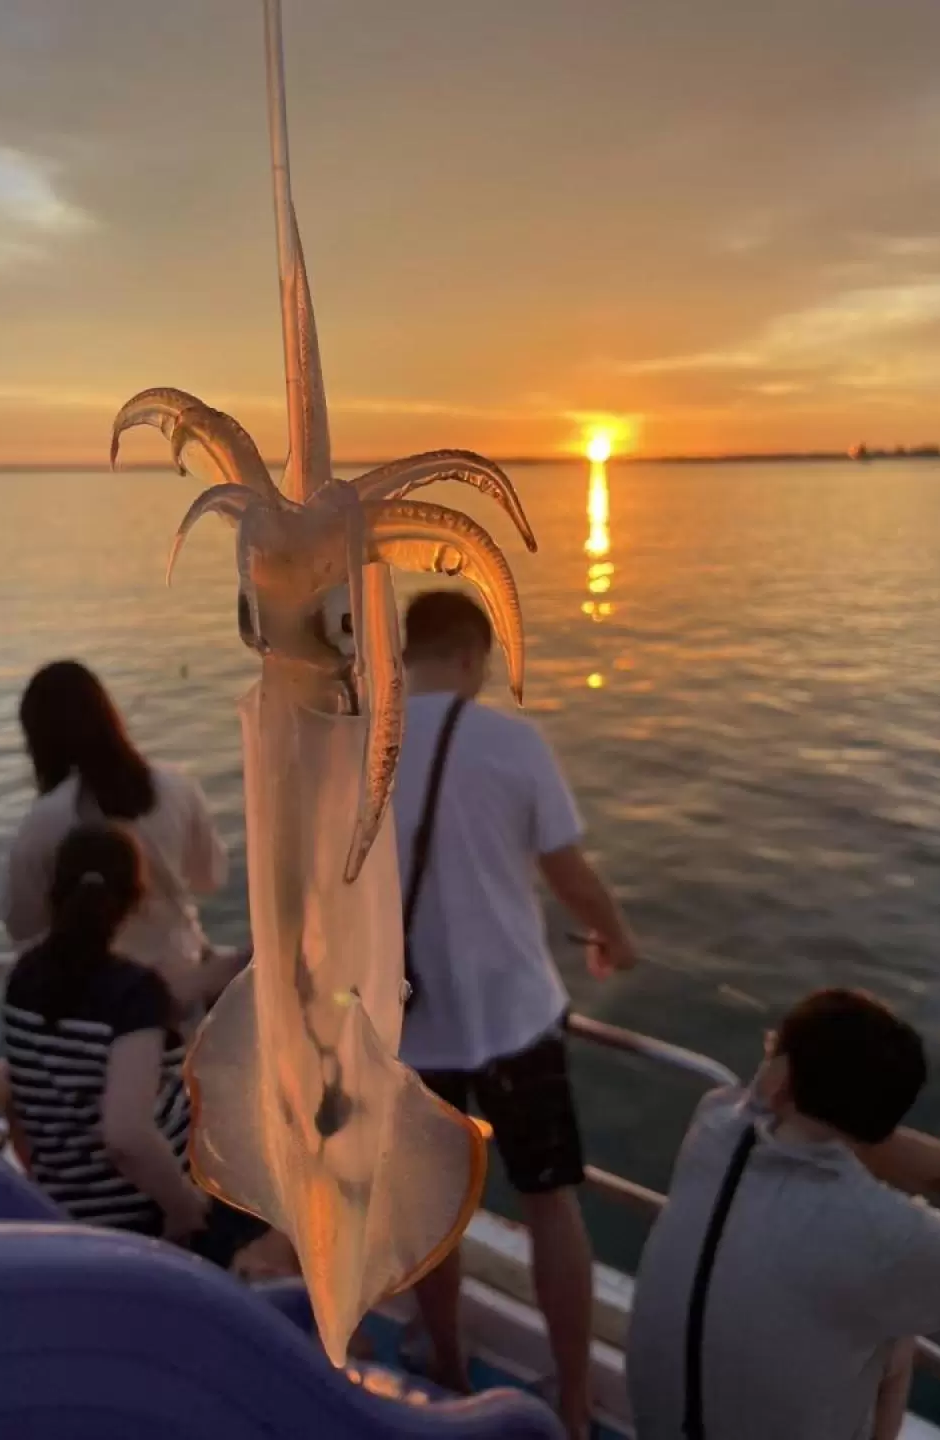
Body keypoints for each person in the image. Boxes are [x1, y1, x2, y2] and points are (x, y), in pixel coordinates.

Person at [393, 588, 637, 1438]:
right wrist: (616, 938)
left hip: (411, 1026)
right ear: (473, 656)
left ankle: (449, 1362)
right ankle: (573, 1401)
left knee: (432, 1206)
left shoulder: (356, 745)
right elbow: (569, 875)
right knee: (550, 1202)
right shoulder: (511, 743)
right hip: (518, 1019)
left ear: (402, 651)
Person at [628, 988, 940, 1440]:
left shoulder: (715, 1125)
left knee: (889, 1333)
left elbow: (823, 1132)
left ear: (780, 1078)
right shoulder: (891, 1238)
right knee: (896, 1334)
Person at [2, 822, 265, 1265]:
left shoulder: (25, 980)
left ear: (56, 892)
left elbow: (162, 993)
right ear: (136, 900)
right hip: (148, 1222)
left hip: (69, 1212)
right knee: (284, 1189)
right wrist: (186, 1209)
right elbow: (125, 1136)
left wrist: (250, 959)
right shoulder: (130, 996)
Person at [3, 661, 237, 1020]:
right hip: (183, 983)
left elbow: (22, 925)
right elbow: (210, 879)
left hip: (98, 1006)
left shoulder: (44, 819)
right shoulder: (177, 787)